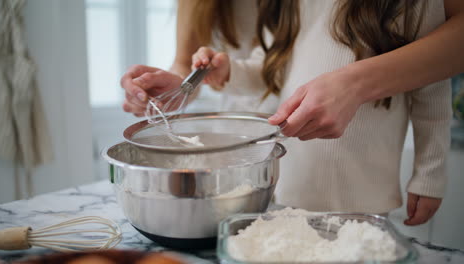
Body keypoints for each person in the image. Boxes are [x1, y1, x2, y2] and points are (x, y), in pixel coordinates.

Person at [191, 0, 464, 226]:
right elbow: (269, 68)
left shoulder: (416, 4)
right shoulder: (289, 5)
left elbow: (433, 93)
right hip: (291, 190)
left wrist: (430, 176)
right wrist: (230, 72)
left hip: (364, 200)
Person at [121, 0, 277, 117]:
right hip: (236, 119)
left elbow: (275, 65)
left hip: (288, 119)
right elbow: (185, 64)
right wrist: (173, 90)